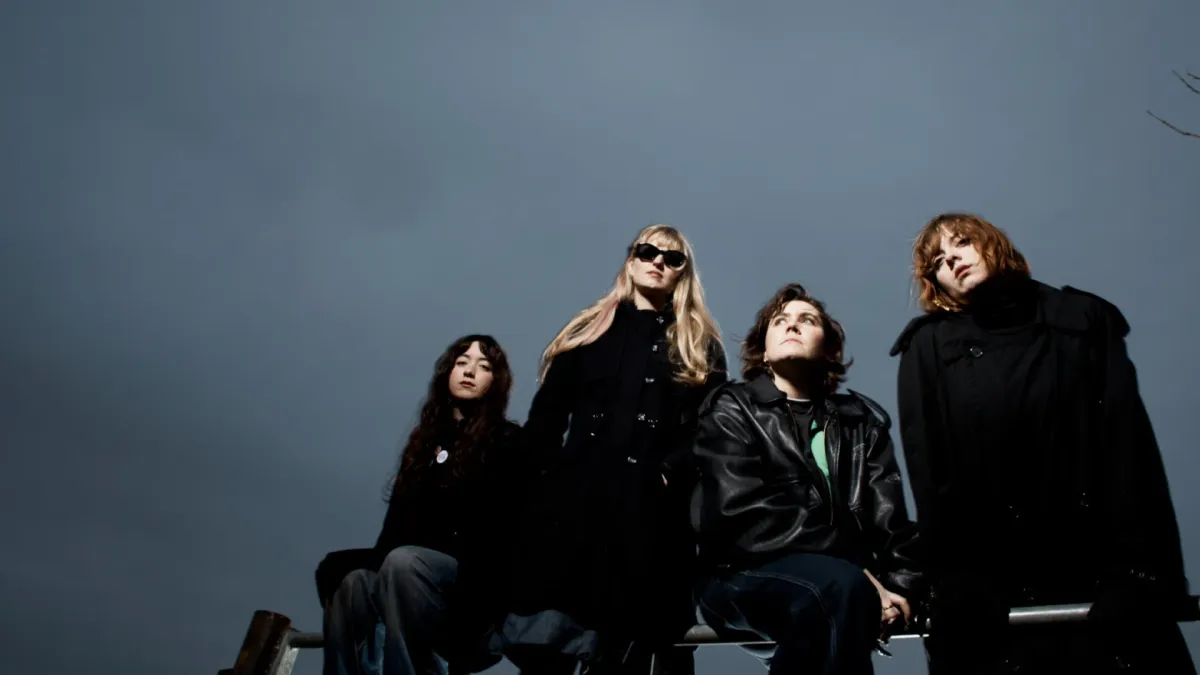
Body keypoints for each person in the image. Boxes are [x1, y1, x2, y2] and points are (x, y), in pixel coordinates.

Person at [890, 212, 1195, 674]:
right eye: (938, 262)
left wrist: (1143, 572)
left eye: (962, 243)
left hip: (1097, 566)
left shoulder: (1081, 318)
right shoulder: (928, 346)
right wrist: (953, 583)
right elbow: (930, 477)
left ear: (993, 244)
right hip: (992, 581)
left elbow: (1129, 447)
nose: (951, 259)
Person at [493, 225, 728, 675]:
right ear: (630, 259)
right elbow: (546, 421)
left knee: (638, 647)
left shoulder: (700, 346)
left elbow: (710, 429)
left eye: (672, 258)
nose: (657, 261)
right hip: (576, 509)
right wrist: (548, 485)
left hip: (652, 517)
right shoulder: (587, 331)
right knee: (552, 643)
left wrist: (667, 472)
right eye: (647, 251)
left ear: (683, 273)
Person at [690, 283, 922, 675]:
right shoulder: (732, 408)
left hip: (840, 582)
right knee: (840, 588)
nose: (792, 325)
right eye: (780, 321)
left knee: (842, 593)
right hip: (738, 573)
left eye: (807, 320)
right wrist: (857, 570)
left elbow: (890, 519)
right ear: (764, 352)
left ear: (829, 350)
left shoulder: (860, 423)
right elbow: (738, 512)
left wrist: (899, 585)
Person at [316, 335, 529, 675]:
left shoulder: (508, 442)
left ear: (496, 381)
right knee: (352, 582)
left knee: (404, 562)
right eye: (462, 362)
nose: (469, 371)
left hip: (470, 592)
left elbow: (506, 537)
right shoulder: (424, 443)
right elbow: (392, 532)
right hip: (407, 579)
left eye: (483, 366)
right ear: (447, 372)